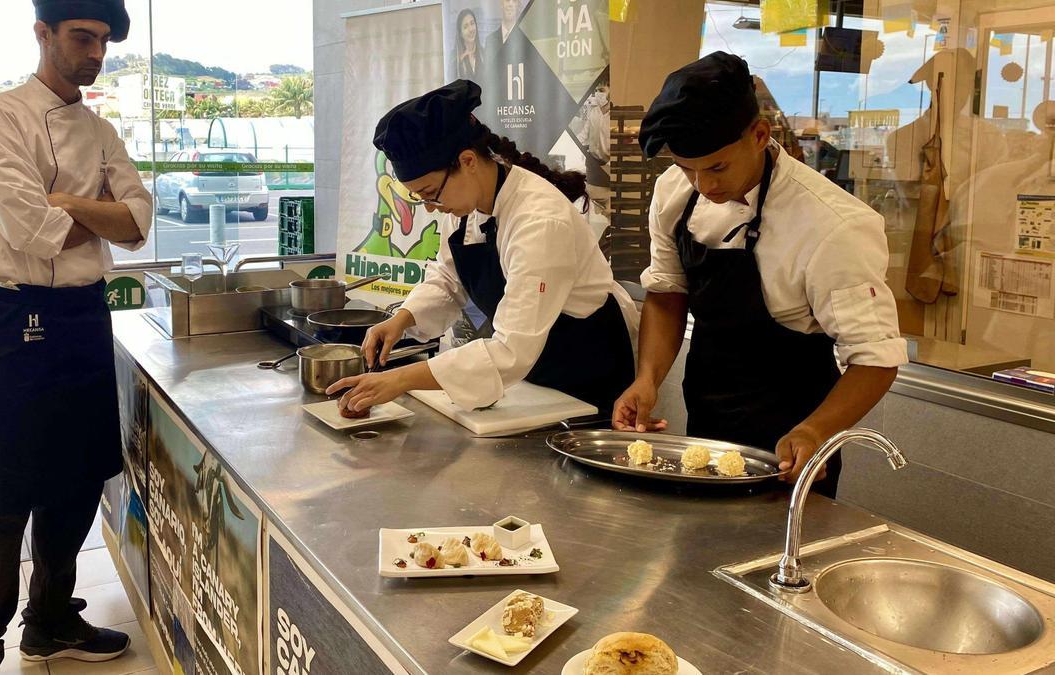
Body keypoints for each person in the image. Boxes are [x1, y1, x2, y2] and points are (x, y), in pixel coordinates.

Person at [0, 1, 152, 672]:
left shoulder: (99, 129)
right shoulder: (1, 119)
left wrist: (66, 202)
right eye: (81, 37)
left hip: (84, 312)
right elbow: (36, 230)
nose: (94, 52)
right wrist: (90, 211)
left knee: (78, 476)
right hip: (17, 316)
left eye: (101, 40)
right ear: (44, 34)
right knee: (3, 493)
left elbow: (139, 220)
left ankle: (51, 620)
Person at [612, 53, 907, 497]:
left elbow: (876, 358)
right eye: (685, 168)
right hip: (705, 422)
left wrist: (816, 431)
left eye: (716, 167)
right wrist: (647, 378)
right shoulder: (675, 194)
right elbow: (668, 290)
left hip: (793, 440)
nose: (703, 186)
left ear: (760, 135)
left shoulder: (831, 225)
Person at [327, 80, 639, 418]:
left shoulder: (540, 221)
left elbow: (510, 349)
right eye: (421, 198)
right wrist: (401, 320)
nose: (431, 207)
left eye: (431, 193)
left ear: (467, 161)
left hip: (585, 379)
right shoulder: (466, 205)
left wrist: (401, 379)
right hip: (534, 379)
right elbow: (448, 278)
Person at [454, 9, 483, 80]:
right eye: (465, 27)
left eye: (472, 23)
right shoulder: (455, 59)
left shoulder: (484, 54)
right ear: (460, 33)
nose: (471, 29)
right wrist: (460, 63)